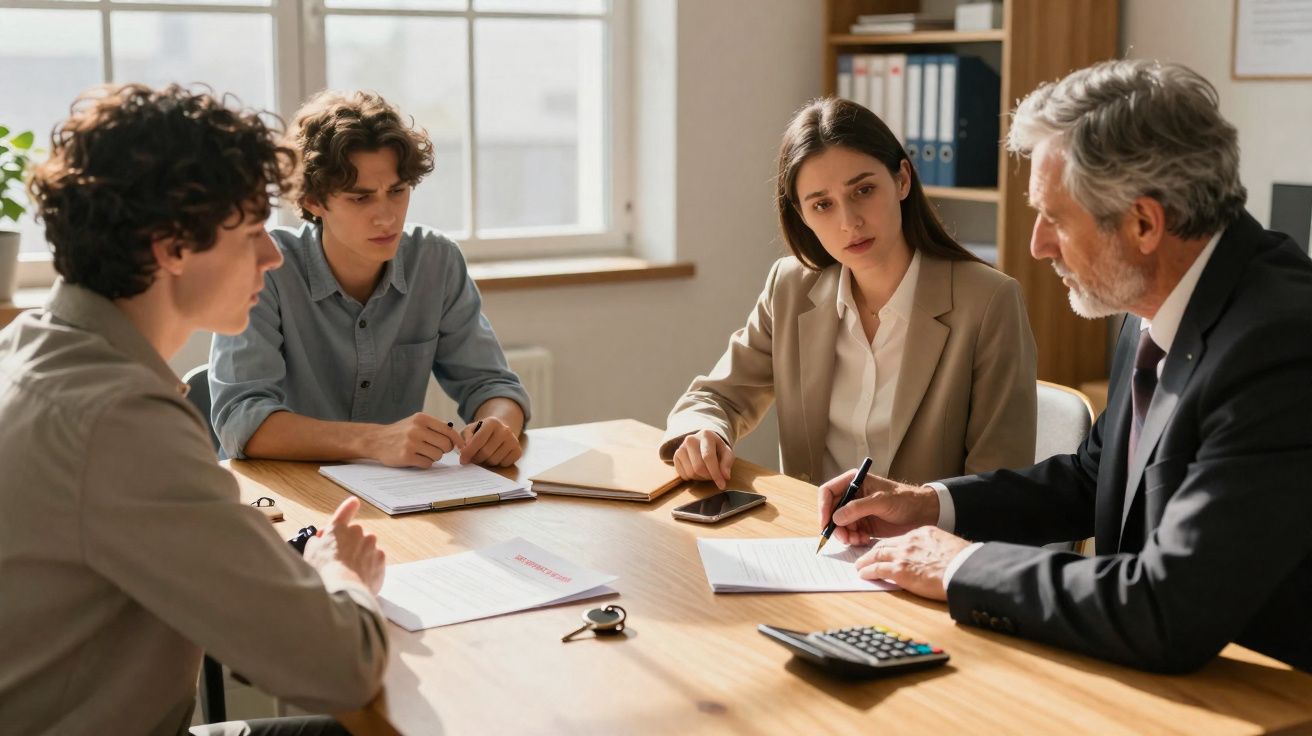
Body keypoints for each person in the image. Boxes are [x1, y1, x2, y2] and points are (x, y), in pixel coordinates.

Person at [821, 59, 1312, 673]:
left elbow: (1169, 603)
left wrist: (959, 565)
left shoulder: (1281, 345)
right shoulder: (1161, 297)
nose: (1037, 245)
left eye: (1054, 217)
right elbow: (1093, 477)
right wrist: (928, 505)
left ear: (1143, 223)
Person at [0, 84, 389, 734]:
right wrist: (340, 574)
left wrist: (275, 559)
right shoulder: (117, 418)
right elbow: (342, 665)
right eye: (253, 233)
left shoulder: (32, 347)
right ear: (172, 246)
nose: (272, 257)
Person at [661, 97, 1037, 489]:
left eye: (864, 190)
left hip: (925, 545)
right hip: (810, 539)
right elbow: (716, 397)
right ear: (802, 215)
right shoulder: (790, 287)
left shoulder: (989, 302)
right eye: (822, 204)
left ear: (902, 180)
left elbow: (998, 487)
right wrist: (704, 433)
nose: (849, 222)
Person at [210, 90, 529, 470]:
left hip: (394, 496)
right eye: (360, 199)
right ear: (313, 201)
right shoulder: (267, 270)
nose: (387, 217)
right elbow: (242, 421)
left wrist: (498, 424)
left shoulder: (435, 261)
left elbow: (493, 386)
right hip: (285, 495)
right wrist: (374, 439)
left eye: (397, 192)